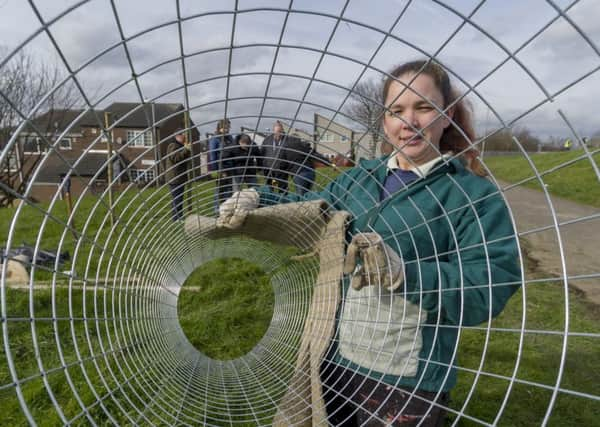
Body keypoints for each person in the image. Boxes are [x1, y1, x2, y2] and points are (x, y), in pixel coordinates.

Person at [219, 59, 521, 426]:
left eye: (424, 107)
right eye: (397, 110)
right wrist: (258, 198)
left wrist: (405, 274)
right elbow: (312, 212)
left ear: (447, 116)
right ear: (384, 121)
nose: (409, 121)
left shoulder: (471, 196)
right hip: (335, 361)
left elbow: (490, 285)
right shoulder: (358, 180)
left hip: (404, 379)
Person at [208, 119, 236, 212]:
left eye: (228, 127)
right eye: (226, 127)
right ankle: (217, 210)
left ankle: (227, 209)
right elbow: (212, 155)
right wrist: (217, 170)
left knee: (229, 189)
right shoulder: (215, 139)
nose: (228, 130)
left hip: (230, 167)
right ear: (220, 127)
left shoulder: (230, 138)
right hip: (221, 167)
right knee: (220, 189)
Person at [164, 128, 191, 221]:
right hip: (175, 178)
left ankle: (178, 216)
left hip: (179, 177)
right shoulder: (173, 145)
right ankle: (176, 218)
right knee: (177, 199)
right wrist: (186, 150)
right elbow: (176, 158)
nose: (186, 136)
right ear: (178, 136)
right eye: (184, 134)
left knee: (179, 198)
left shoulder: (179, 145)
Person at [260, 120, 292, 193]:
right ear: (273, 131)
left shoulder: (286, 140)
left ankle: (283, 200)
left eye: (280, 132)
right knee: (271, 187)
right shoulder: (267, 140)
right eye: (277, 132)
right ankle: (272, 199)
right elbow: (262, 153)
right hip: (269, 170)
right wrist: (262, 166)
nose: (279, 134)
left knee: (282, 188)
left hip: (281, 170)